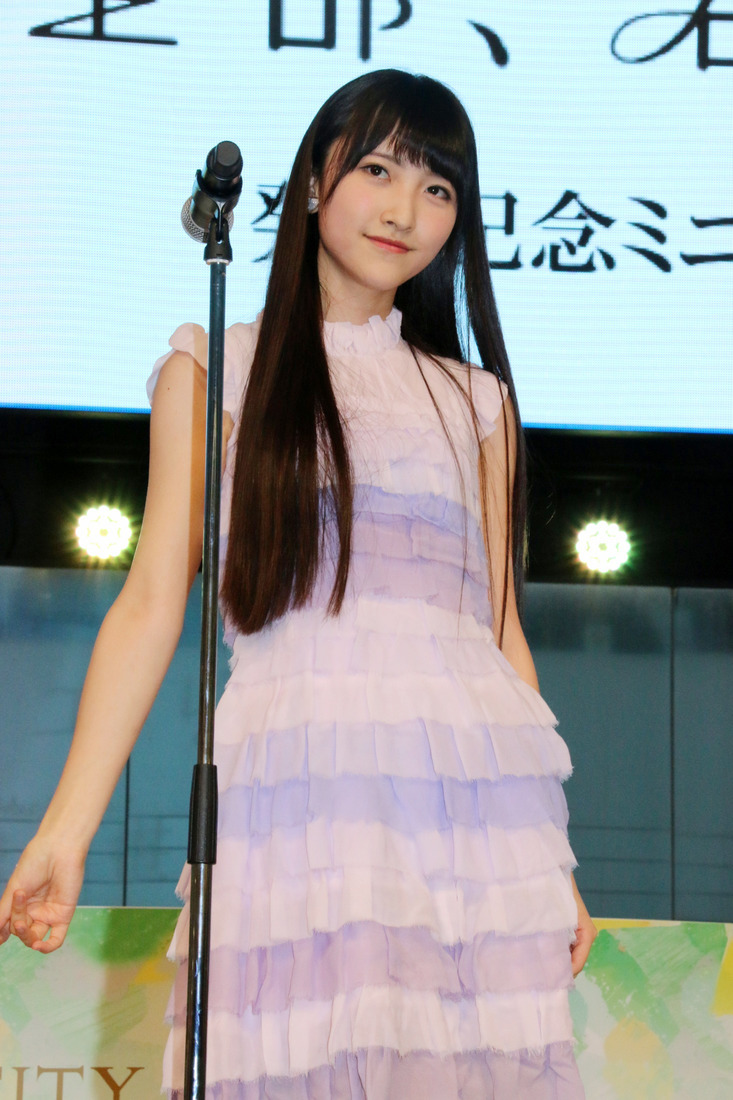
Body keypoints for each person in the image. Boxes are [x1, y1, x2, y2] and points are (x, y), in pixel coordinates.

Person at [0, 70, 596, 1098]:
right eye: (379, 171)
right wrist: (65, 830)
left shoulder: (474, 401)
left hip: (465, 822)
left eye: (439, 188)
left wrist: (545, 866)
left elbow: (499, 631)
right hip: (298, 792)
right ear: (316, 181)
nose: (406, 210)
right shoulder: (217, 369)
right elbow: (150, 603)